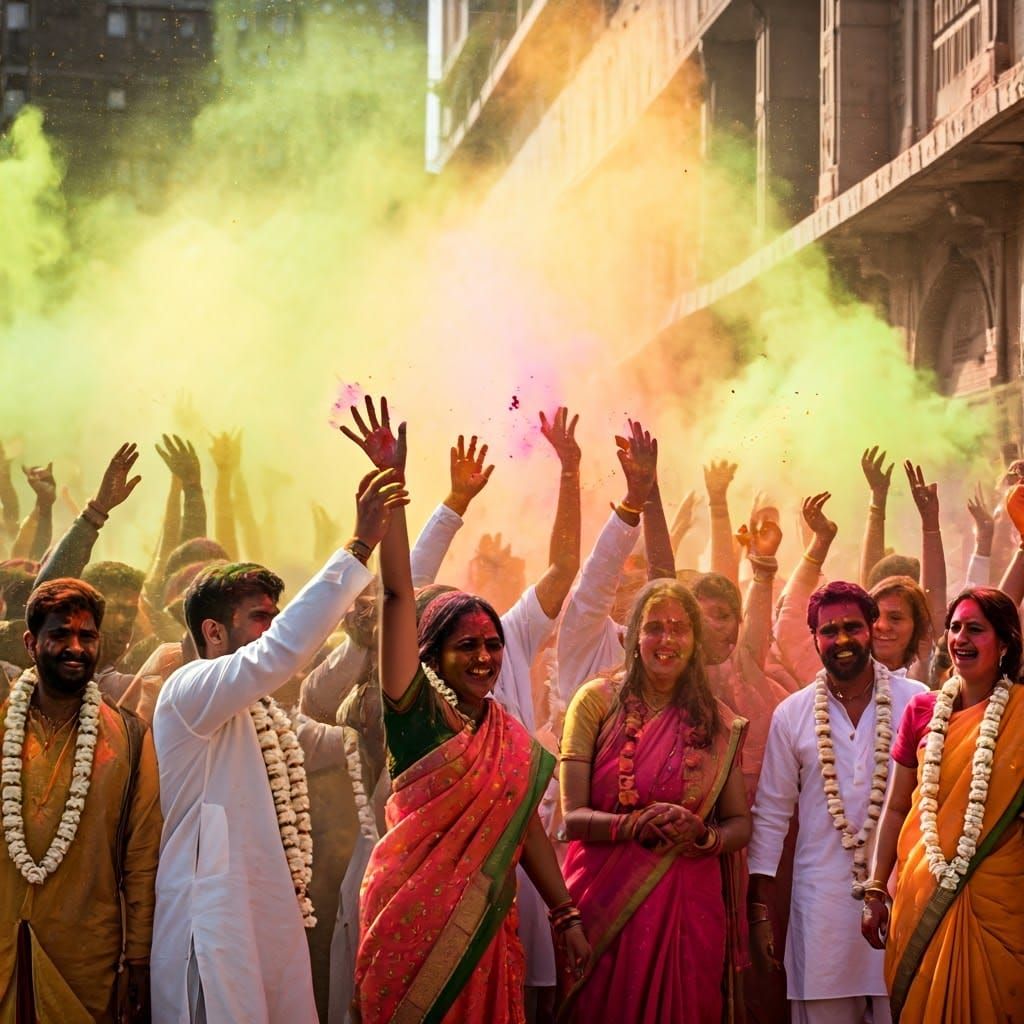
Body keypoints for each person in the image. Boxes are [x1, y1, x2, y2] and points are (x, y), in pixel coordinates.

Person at [351, 399, 589, 1024]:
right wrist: (395, 491)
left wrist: (564, 912)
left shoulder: (504, 732)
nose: (485, 658)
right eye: (467, 647)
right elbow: (400, 591)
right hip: (412, 928)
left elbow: (522, 822)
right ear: (431, 653)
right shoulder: (414, 711)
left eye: (492, 645)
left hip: (484, 926)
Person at [150, 466, 406, 1024]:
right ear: (213, 632)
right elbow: (283, 652)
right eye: (259, 618)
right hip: (211, 922)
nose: (273, 629)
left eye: (275, 616)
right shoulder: (188, 692)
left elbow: (392, 617)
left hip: (269, 920)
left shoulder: (263, 713)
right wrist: (359, 544)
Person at [559, 579, 750, 1023]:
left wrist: (702, 835)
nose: (667, 640)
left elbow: (740, 824)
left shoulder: (717, 721)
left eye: (680, 629)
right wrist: (634, 825)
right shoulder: (595, 703)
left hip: (690, 903)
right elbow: (572, 818)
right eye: (654, 628)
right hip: (605, 903)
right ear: (632, 636)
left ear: (695, 640)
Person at [748, 581, 926, 1024]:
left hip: (901, 898)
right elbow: (771, 814)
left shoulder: (918, 702)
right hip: (821, 906)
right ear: (814, 639)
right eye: (829, 631)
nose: (842, 640)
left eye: (853, 627)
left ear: (871, 629)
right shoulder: (793, 713)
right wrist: (759, 905)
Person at [0, 579, 161, 1022]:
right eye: (59, 634)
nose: (75, 647)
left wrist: (140, 959)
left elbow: (142, 856)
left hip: (86, 960)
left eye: (86, 636)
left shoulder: (130, 738)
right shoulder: (2, 721)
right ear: (31, 643)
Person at [862, 586, 1024, 1022]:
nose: (960, 638)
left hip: (1003, 900)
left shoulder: (1021, 716)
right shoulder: (921, 711)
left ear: (1005, 642)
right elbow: (896, 807)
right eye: (954, 627)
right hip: (921, 892)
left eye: (976, 629)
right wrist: (876, 888)